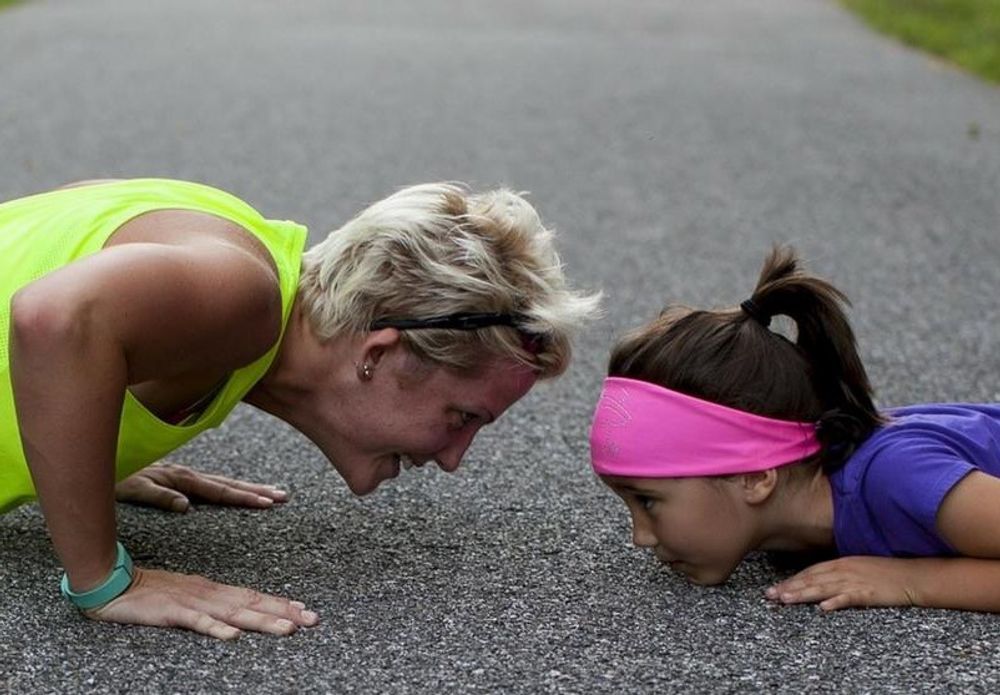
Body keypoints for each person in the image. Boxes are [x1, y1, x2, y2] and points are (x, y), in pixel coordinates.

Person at [1, 177, 600, 639]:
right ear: (378, 355)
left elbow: (61, 223)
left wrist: (84, 449)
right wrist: (104, 579)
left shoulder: (236, 252)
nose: (452, 459)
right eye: (462, 417)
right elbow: (52, 317)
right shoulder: (243, 295)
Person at [589, 245, 1000, 613]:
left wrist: (913, 582)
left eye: (648, 501)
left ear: (755, 477)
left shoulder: (900, 477)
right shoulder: (781, 518)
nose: (641, 537)